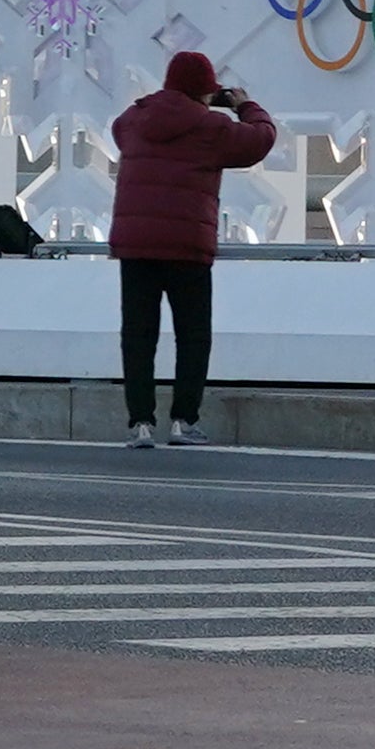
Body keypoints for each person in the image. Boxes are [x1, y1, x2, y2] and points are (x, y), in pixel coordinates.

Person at [108, 49, 278, 449]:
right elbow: (260, 140)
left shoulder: (134, 120)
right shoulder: (210, 128)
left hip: (136, 245)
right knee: (192, 334)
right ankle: (183, 421)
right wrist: (245, 106)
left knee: (138, 334)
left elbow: (119, 130)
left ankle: (140, 424)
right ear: (205, 91)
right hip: (186, 245)